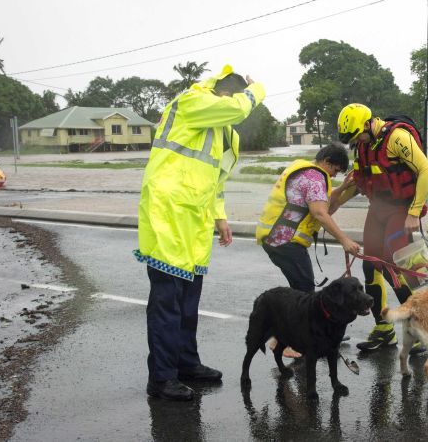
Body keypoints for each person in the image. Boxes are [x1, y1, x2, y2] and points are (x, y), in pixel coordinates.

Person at [134, 64, 265, 401]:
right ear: (220, 91)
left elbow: (215, 180)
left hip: (195, 222)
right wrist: (257, 90)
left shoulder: (226, 135)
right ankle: (161, 379)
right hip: (167, 214)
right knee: (167, 303)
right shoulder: (191, 101)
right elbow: (237, 108)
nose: (228, 104)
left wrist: (220, 217)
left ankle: (186, 364)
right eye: (227, 97)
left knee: (188, 303)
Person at [336, 103, 428, 352]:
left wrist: (414, 212)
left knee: (399, 267)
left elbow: (426, 172)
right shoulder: (364, 146)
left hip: (402, 208)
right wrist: (330, 207)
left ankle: (422, 329)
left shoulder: (397, 138)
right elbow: (359, 183)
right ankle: (383, 328)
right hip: (378, 208)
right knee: (369, 264)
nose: (356, 142)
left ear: (368, 124)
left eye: (358, 136)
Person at [256, 142, 360, 358]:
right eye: (335, 170)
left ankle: (284, 338)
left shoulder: (307, 171)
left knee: (300, 290)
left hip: (279, 239)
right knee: (303, 293)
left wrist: (342, 189)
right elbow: (321, 213)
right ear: (327, 162)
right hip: (285, 240)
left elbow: (326, 204)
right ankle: (287, 343)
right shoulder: (314, 178)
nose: (334, 176)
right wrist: (344, 240)